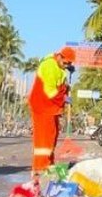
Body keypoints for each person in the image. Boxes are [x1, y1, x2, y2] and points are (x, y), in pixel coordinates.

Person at [28, 46, 75, 176]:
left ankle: (48, 164)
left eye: (69, 64)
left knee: (52, 135)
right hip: (42, 106)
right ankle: (40, 167)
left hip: (50, 107)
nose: (66, 66)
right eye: (65, 63)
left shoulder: (59, 68)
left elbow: (59, 86)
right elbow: (51, 92)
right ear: (59, 56)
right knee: (44, 138)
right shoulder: (49, 66)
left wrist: (66, 84)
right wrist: (64, 98)